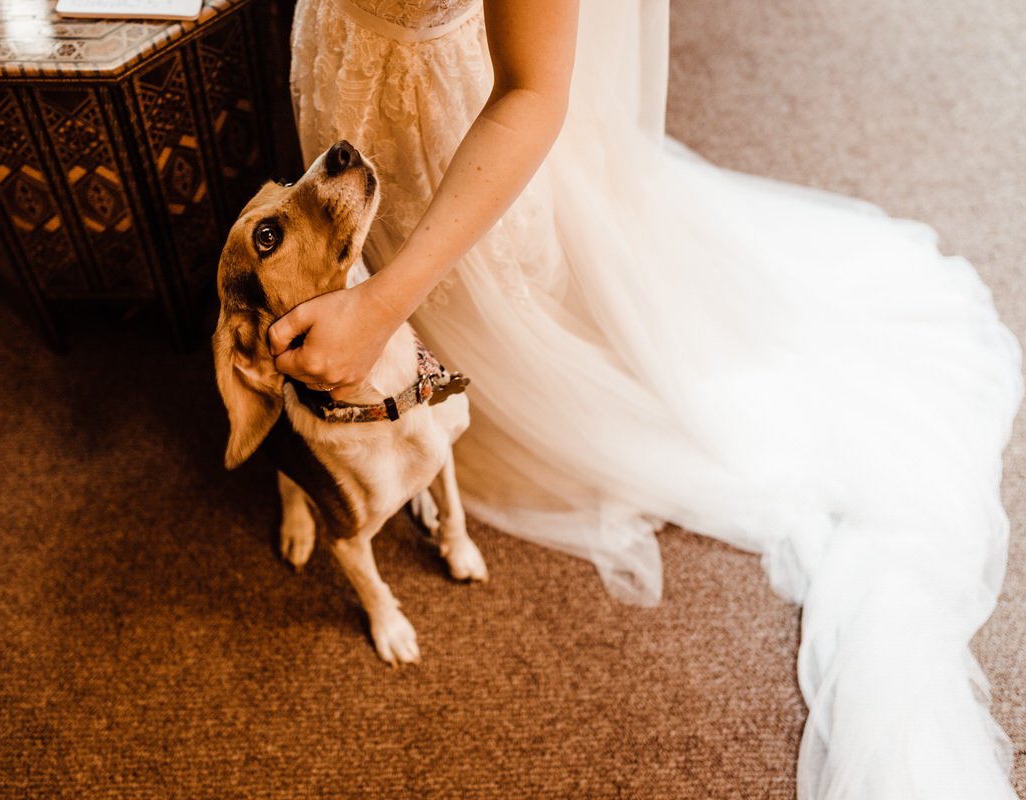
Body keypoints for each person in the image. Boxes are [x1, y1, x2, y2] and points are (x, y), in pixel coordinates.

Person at [268, 1, 1023, 797]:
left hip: (456, 119)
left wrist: (382, 305)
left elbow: (532, 92)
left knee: (489, 317)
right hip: (342, 52)